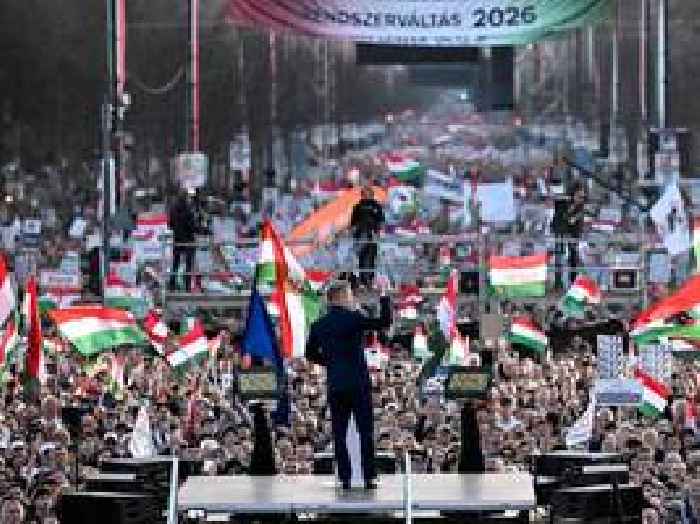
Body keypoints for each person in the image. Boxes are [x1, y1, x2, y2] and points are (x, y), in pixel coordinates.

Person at [305, 280, 392, 490]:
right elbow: (384, 322)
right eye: (350, 295)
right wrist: (383, 295)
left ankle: (345, 477)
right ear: (341, 297)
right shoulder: (354, 319)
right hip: (358, 383)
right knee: (365, 431)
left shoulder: (319, 325)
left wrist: (331, 363)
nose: (352, 299)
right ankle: (369, 476)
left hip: (336, 384)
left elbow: (310, 353)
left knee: (339, 433)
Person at [350, 185, 384, 288]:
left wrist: (377, 231)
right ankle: (363, 280)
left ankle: (369, 280)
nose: (367, 196)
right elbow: (353, 223)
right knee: (362, 257)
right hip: (361, 235)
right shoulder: (357, 207)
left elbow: (380, 221)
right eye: (364, 194)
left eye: (368, 194)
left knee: (371, 257)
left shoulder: (377, 206)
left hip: (372, 235)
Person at [169, 189, 198, 291]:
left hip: (177, 238)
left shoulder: (173, 208)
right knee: (188, 264)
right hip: (188, 239)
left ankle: (172, 284)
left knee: (175, 263)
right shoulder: (189, 209)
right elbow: (192, 225)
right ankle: (187, 286)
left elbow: (170, 224)